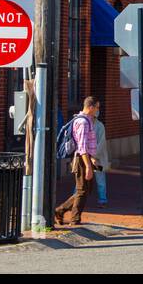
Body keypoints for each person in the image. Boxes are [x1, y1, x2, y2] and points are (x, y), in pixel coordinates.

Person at [55, 97, 100, 226]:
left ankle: (61, 210)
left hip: (86, 158)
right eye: (97, 107)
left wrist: (92, 159)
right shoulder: (83, 122)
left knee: (87, 189)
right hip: (81, 158)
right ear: (90, 107)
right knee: (82, 189)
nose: (98, 110)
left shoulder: (87, 121)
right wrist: (88, 167)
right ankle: (74, 218)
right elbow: (82, 146)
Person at [93, 111, 111, 206]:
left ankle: (102, 199)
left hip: (98, 160)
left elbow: (101, 143)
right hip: (87, 158)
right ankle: (74, 199)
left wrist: (94, 156)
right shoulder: (86, 124)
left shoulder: (100, 126)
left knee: (100, 180)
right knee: (80, 181)